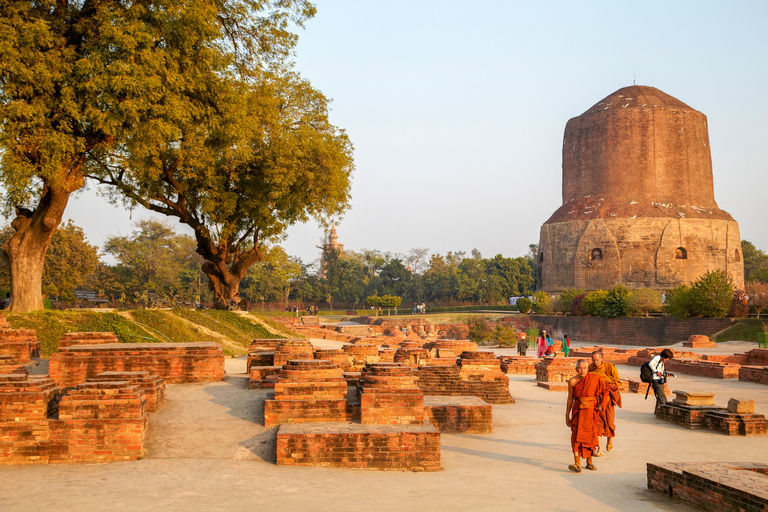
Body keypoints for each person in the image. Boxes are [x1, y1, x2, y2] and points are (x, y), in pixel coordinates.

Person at [566, 359, 608, 473]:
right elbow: (570, 398)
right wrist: (566, 415)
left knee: (591, 435)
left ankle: (589, 462)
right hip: (578, 410)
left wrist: (601, 405)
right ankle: (577, 463)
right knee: (576, 435)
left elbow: (605, 391)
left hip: (591, 410)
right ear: (576, 369)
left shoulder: (595, 378)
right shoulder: (572, 381)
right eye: (579, 368)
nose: (582, 370)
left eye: (584, 368)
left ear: (587, 369)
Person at [588, 351, 622, 456]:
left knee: (610, 421)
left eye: (597, 359)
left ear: (602, 358)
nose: (595, 362)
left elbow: (618, 383)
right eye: (593, 360)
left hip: (607, 399)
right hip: (596, 400)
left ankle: (610, 439)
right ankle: (600, 449)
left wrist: (604, 385)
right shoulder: (590, 368)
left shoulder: (609, 367)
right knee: (598, 423)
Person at [649, 349, 674, 413]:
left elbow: (661, 371)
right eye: (668, 358)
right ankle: (667, 411)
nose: (668, 359)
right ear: (664, 357)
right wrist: (656, 371)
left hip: (660, 379)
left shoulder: (662, 361)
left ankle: (657, 412)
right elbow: (650, 364)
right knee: (662, 396)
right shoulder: (657, 358)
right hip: (656, 379)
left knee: (659, 396)